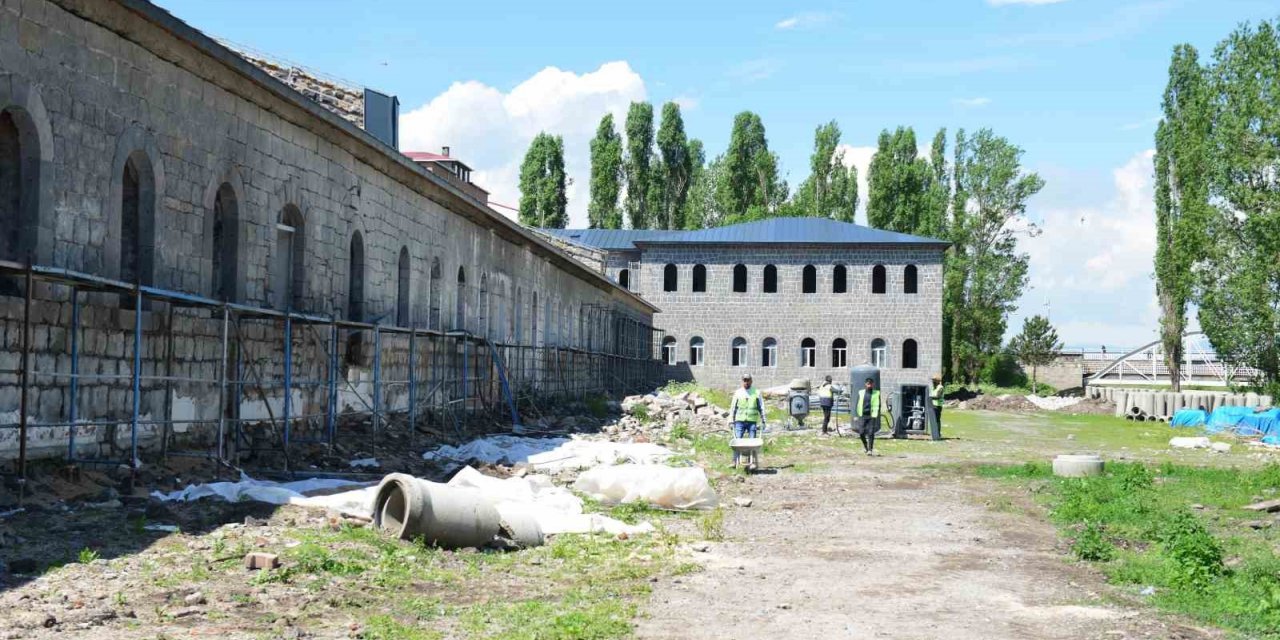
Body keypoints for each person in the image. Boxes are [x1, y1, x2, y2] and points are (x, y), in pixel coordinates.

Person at [728, 374, 766, 468]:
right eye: (744, 380)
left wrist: (764, 420)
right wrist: (730, 420)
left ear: (751, 381)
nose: (746, 382)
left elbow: (761, 407)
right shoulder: (738, 393)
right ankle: (734, 461)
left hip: (752, 421)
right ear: (742, 381)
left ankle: (752, 462)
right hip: (739, 421)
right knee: (737, 441)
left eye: (748, 380)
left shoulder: (756, 392)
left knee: (752, 442)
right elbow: (733, 407)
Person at [853, 377, 882, 455]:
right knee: (861, 432)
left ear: (873, 384)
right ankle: (865, 446)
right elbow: (857, 404)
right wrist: (856, 415)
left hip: (872, 415)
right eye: (868, 384)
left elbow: (879, 405)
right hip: (862, 415)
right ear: (865, 384)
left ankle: (870, 449)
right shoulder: (861, 392)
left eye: (871, 384)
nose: (869, 385)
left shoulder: (876, 393)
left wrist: (877, 413)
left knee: (871, 433)